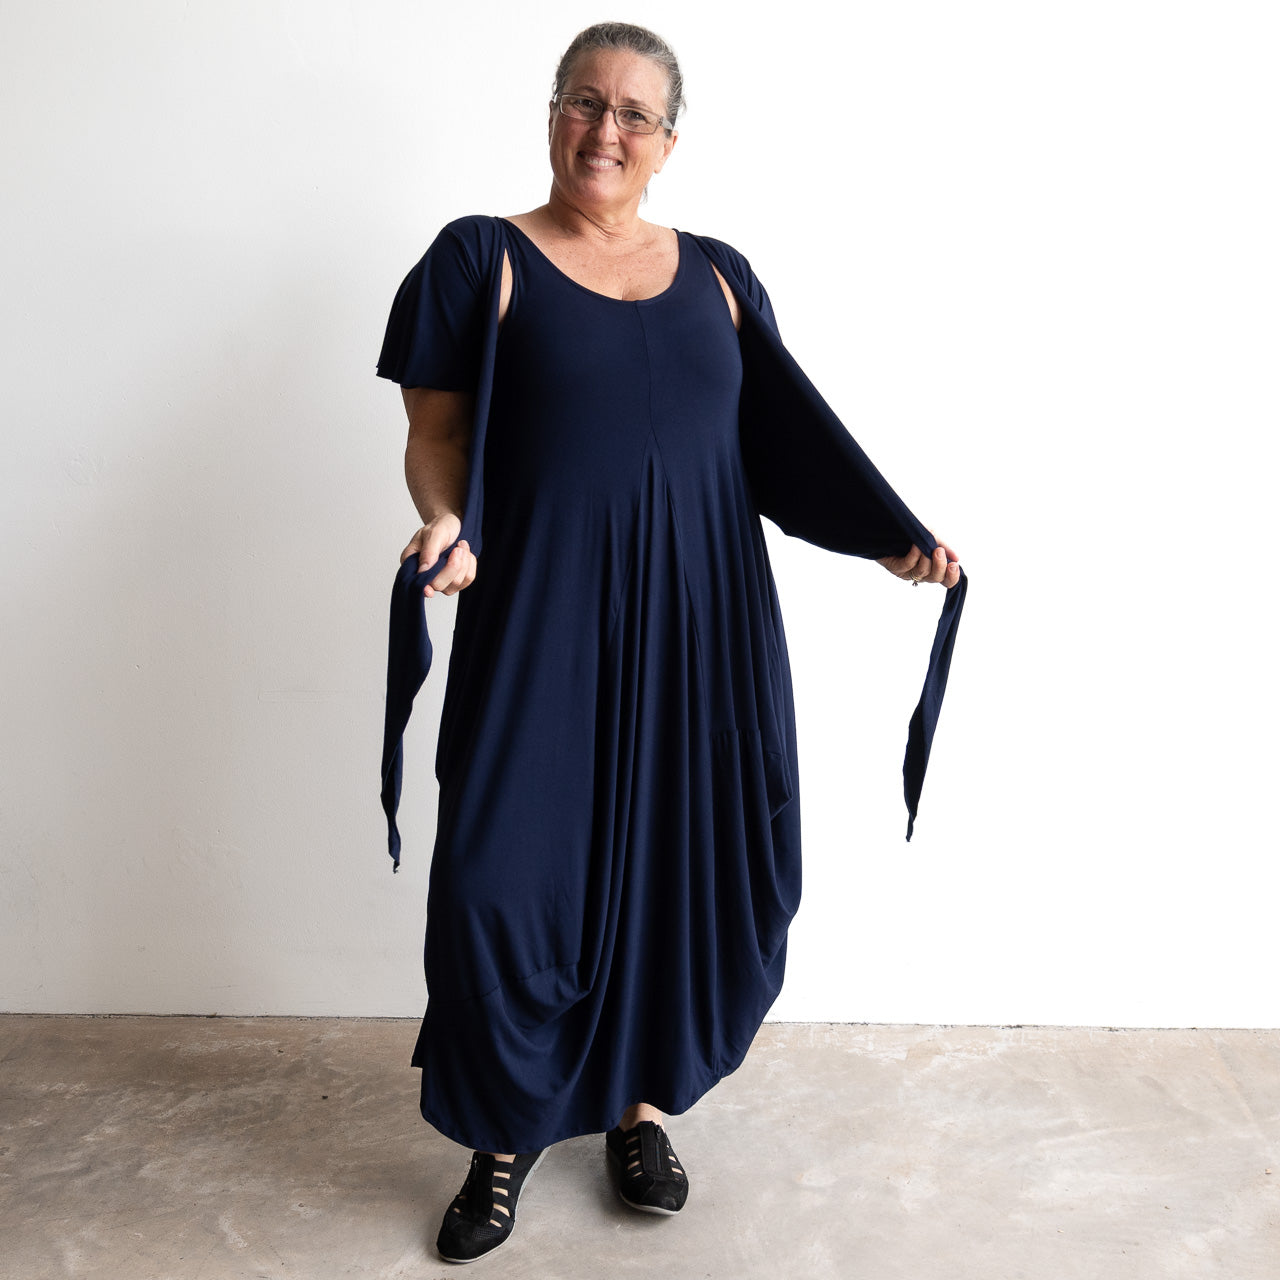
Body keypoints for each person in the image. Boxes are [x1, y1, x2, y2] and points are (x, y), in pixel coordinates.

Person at [376, 21, 965, 1264]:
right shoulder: (479, 257)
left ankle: (638, 1111)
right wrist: (444, 519)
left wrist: (888, 539)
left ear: (666, 142)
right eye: (583, 102)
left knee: (677, 863)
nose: (605, 129)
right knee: (502, 880)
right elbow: (438, 435)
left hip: (703, 623)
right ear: (551, 115)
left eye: (632, 113)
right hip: (539, 613)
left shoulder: (720, 276)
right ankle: (505, 1132)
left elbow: (783, 446)